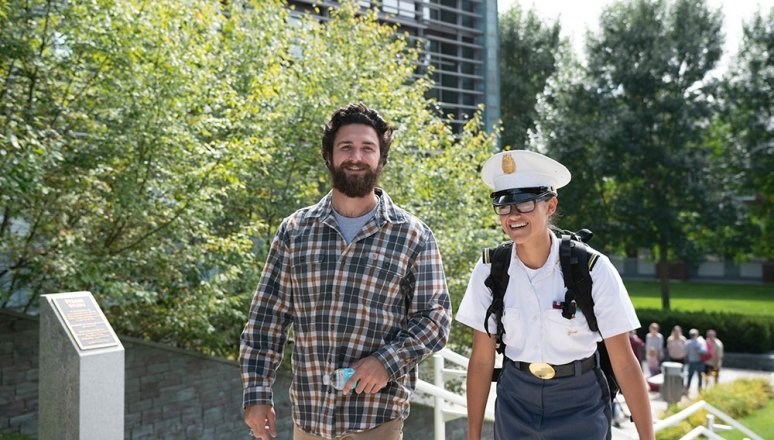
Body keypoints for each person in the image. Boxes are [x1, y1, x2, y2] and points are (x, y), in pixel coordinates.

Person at [239, 103, 452, 440]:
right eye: (346, 147)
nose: (356, 156)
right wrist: (257, 394)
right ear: (329, 156)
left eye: (368, 148)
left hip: (376, 422)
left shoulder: (413, 235)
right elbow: (266, 321)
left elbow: (435, 318)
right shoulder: (295, 231)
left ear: (381, 159)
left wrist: (387, 361)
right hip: (309, 422)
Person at [455, 150, 654, 440]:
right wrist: (473, 436)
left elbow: (624, 362)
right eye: (504, 205)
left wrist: (648, 437)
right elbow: (482, 360)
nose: (513, 216)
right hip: (515, 402)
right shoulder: (490, 268)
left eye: (524, 203)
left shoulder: (591, 268)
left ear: (550, 206)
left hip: (579, 402)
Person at [684, 328, 706, 394]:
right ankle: (698, 390)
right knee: (697, 376)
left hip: (693, 361)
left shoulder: (688, 343)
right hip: (697, 361)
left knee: (692, 376)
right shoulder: (700, 342)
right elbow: (704, 351)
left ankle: (688, 389)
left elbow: (686, 353)